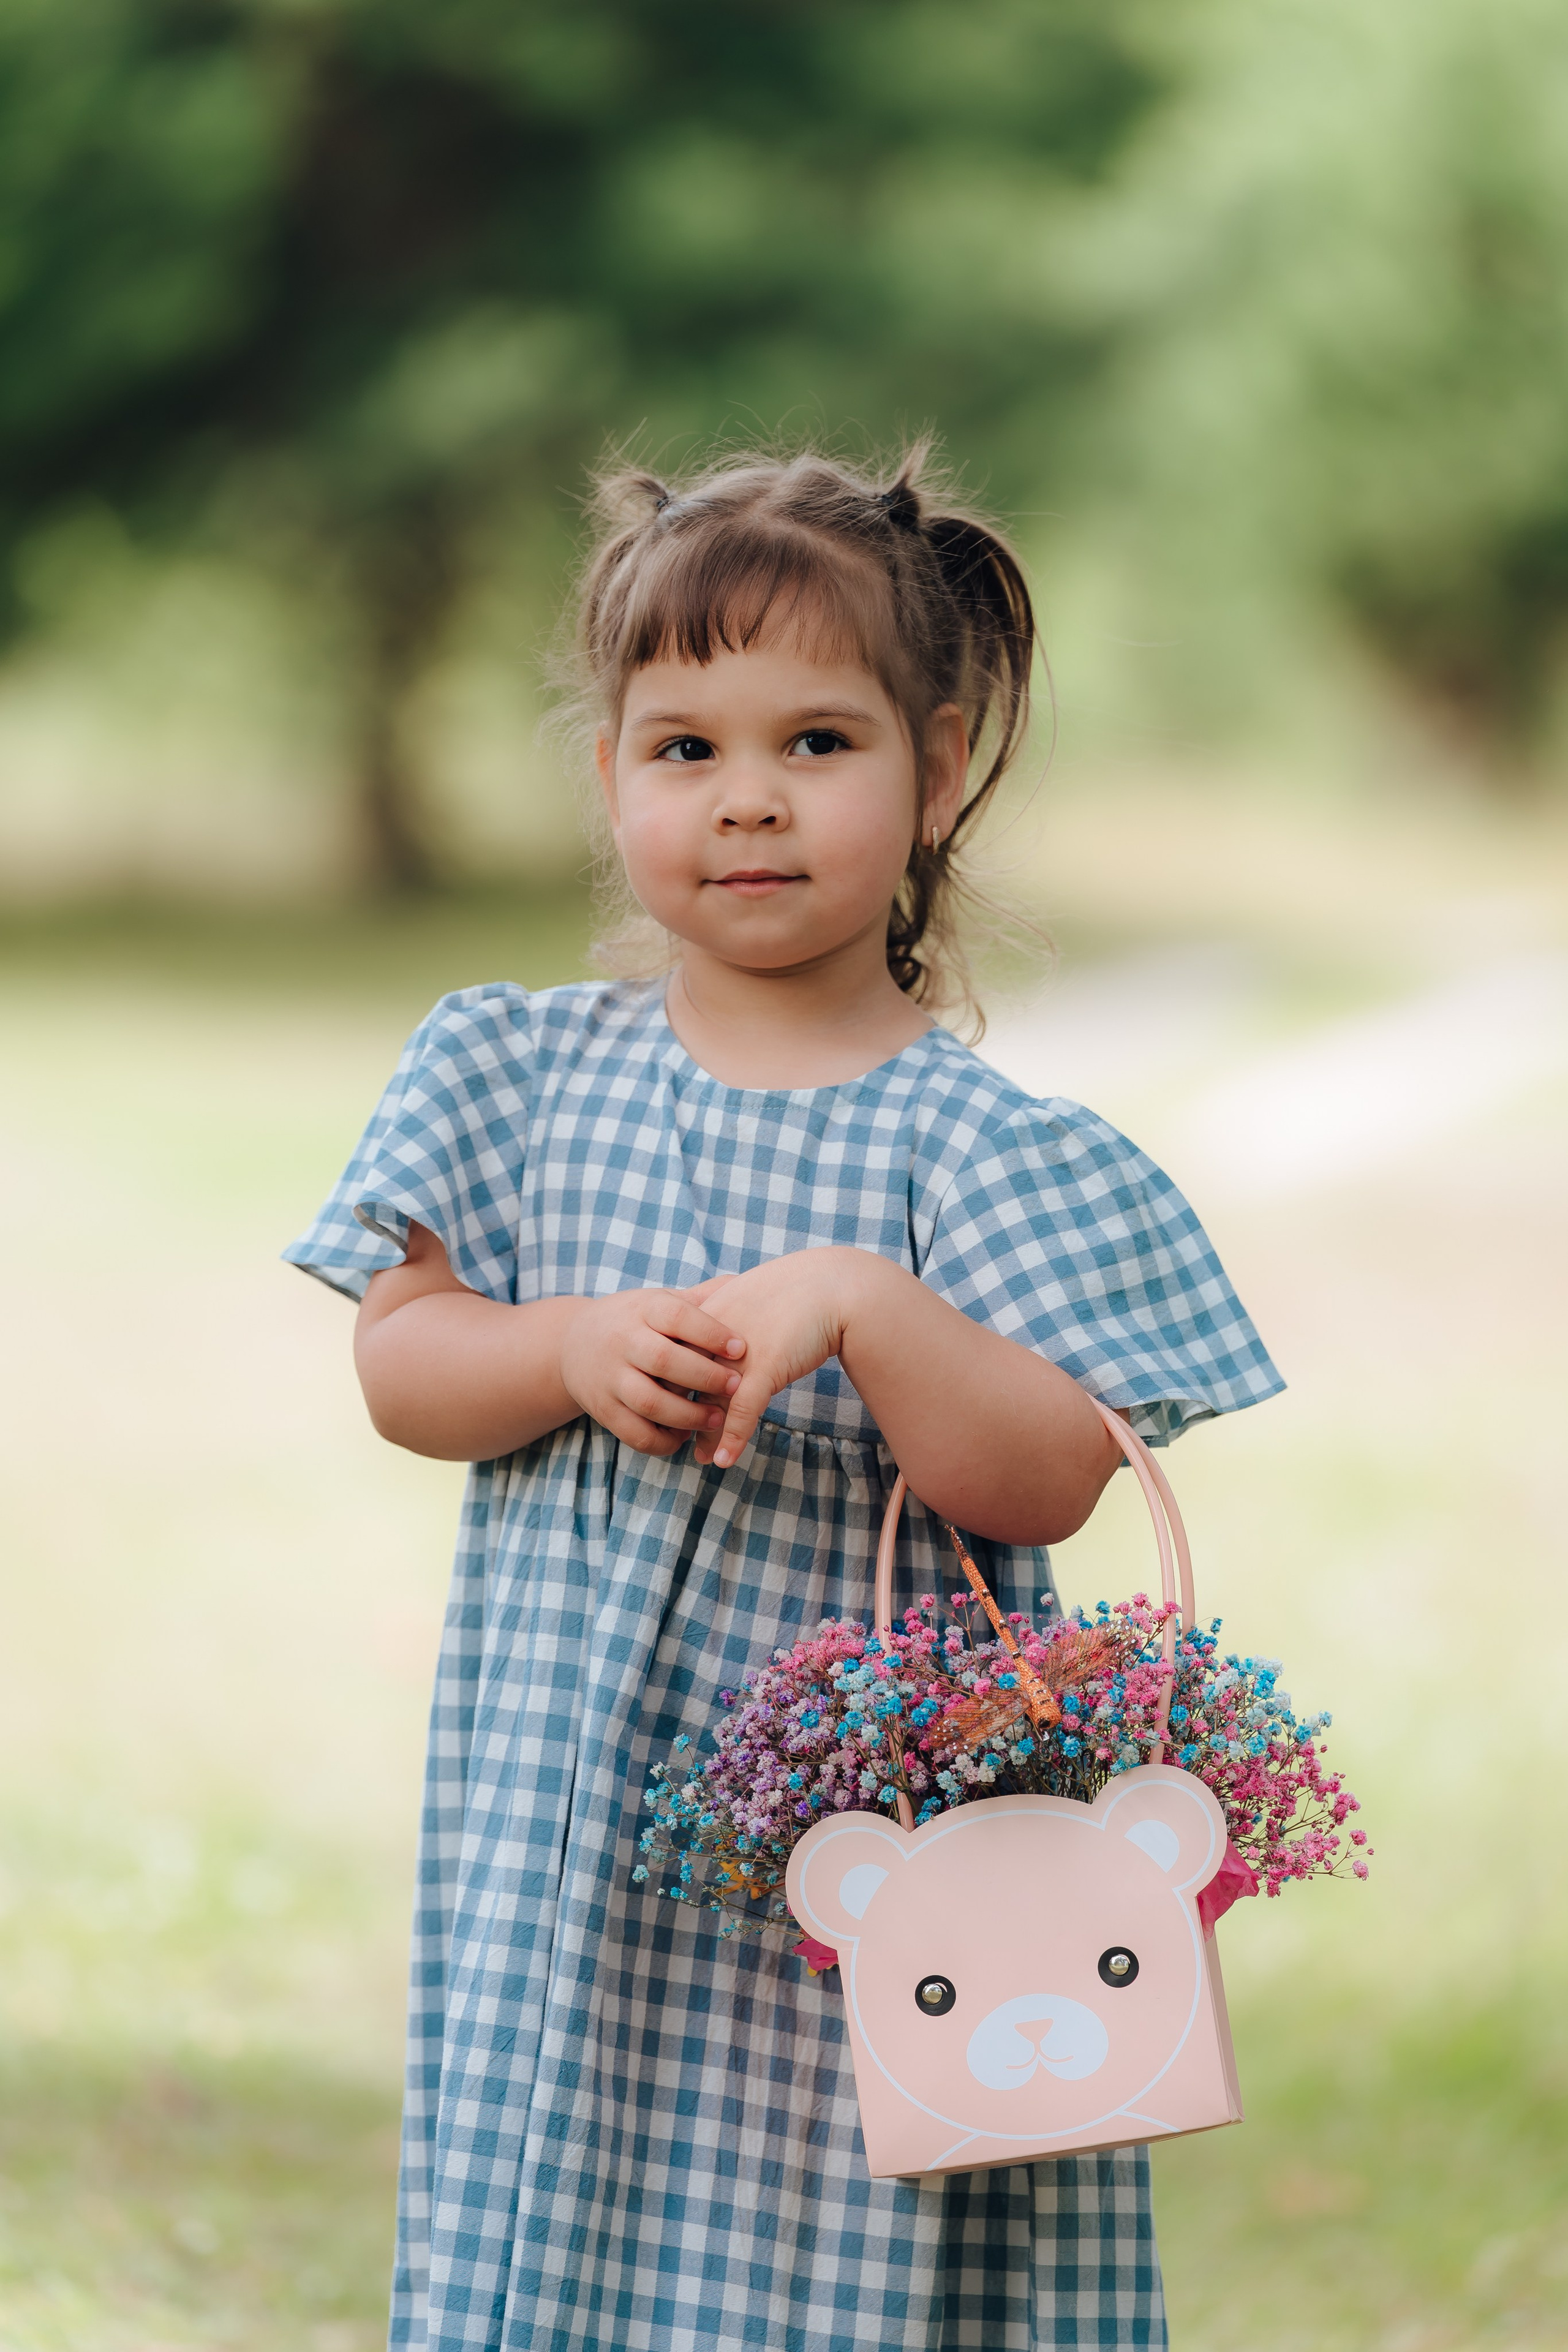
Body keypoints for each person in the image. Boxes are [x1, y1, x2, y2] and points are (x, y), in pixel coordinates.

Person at [285, 443, 1283, 2352]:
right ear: (612, 777)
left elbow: (1046, 1477)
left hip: (884, 1851)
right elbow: (403, 1363)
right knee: (572, 2172)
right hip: (574, 1817)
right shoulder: (517, 1077)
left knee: (835, 2220)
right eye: (688, 748)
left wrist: (868, 1308)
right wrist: (561, 1348)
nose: (750, 797)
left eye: (819, 742)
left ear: (940, 770)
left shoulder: (981, 1152)